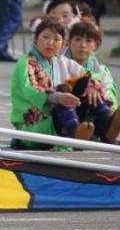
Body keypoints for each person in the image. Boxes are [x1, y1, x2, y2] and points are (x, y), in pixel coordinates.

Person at [10, 16, 92, 148]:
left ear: (64, 44)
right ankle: (73, 131)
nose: (50, 43)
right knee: (62, 90)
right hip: (33, 122)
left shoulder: (61, 61)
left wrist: (92, 85)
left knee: (86, 83)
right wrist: (57, 97)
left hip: (57, 117)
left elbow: (87, 74)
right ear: (36, 39)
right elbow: (31, 90)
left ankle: (105, 124)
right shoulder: (26, 62)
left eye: (56, 39)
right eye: (46, 37)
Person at [66, 20, 120, 143]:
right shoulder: (59, 63)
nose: (82, 45)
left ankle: (108, 125)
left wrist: (98, 91)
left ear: (96, 46)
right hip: (71, 112)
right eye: (77, 39)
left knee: (99, 97)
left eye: (89, 41)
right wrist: (89, 84)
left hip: (94, 117)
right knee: (84, 83)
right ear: (68, 42)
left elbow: (109, 92)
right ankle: (93, 131)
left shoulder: (101, 70)